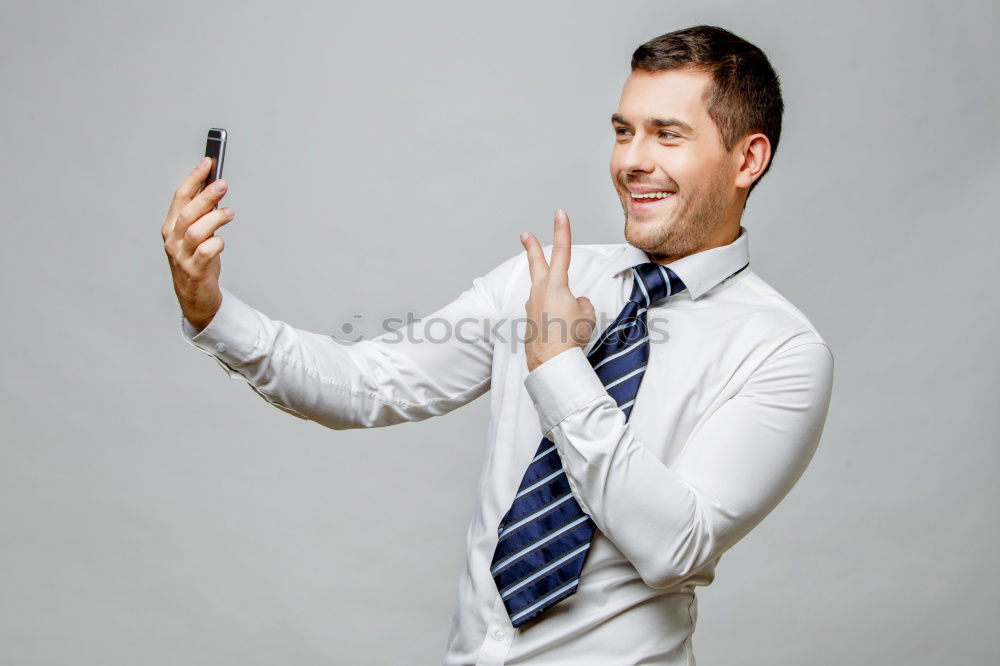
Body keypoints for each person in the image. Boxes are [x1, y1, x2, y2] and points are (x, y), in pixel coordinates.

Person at [161, 24, 834, 666]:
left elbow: (674, 546)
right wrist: (211, 309)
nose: (632, 160)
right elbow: (367, 385)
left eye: (668, 135)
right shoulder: (542, 280)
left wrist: (561, 364)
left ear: (747, 158)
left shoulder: (782, 353)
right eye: (624, 131)